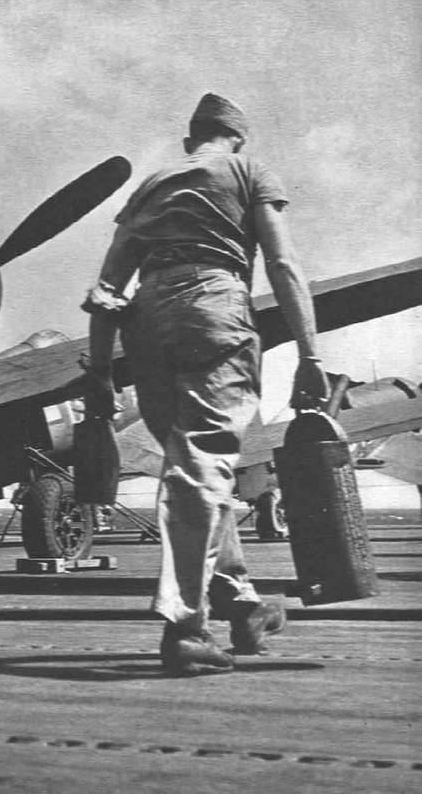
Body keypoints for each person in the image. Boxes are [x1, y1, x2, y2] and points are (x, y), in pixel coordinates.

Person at [82, 93, 329, 677]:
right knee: (204, 463)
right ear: (237, 138)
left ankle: (241, 604)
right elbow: (283, 263)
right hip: (213, 306)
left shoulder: (152, 186)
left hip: (147, 318)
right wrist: (312, 354)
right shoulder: (248, 171)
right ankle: (187, 627)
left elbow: (107, 286)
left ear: (191, 138)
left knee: (189, 461)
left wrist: (97, 372)